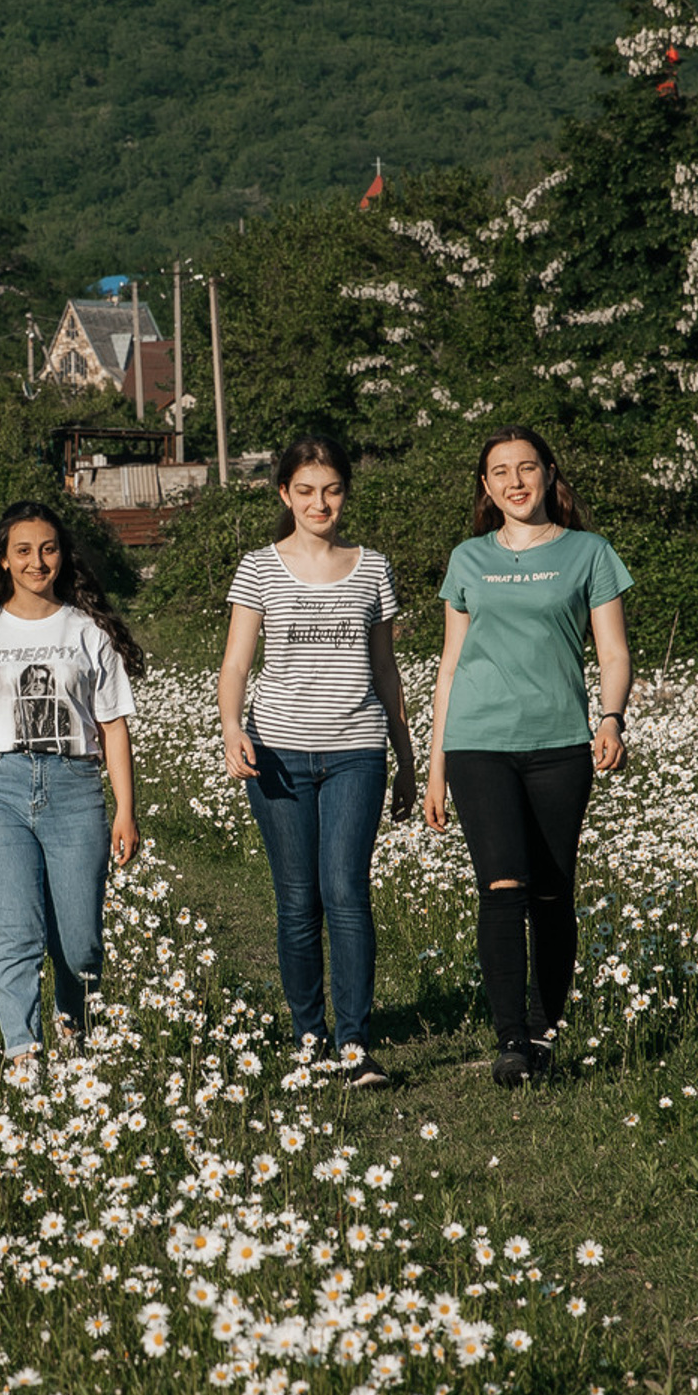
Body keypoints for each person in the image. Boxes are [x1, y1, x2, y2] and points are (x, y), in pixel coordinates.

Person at [423, 425, 632, 1087]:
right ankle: (510, 1038)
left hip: (561, 745)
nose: (515, 482)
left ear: (548, 474)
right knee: (502, 885)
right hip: (477, 743)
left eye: (526, 468)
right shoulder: (467, 559)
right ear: (485, 487)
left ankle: (545, 1027)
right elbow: (450, 667)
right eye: (500, 472)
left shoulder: (589, 553)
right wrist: (435, 766)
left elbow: (614, 652)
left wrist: (612, 717)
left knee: (550, 889)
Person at [218, 434, 417, 1085]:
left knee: (346, 892)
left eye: (330, 489)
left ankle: (355, 1045)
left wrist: (406, 753)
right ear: (285, 494)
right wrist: (229, 727)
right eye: (305, 490)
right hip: (276, 752)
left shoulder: (373, 567)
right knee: (298, 900)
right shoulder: (258, 567)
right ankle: (310, 1039)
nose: (319, 502)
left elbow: (386, 668)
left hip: (357, 749)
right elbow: (237, 662)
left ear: (345, 493)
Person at [0, 504, 145, 1060]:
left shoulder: (87, 630)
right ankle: (23, 1052)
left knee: (80, 942)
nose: (37, 561)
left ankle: (77, 1037)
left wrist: (125, 808)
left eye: (48, 549)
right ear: (3, 560)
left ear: (63, 555)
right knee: (15, 934)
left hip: (75, 787)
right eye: (23, 550)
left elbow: (112, 725)